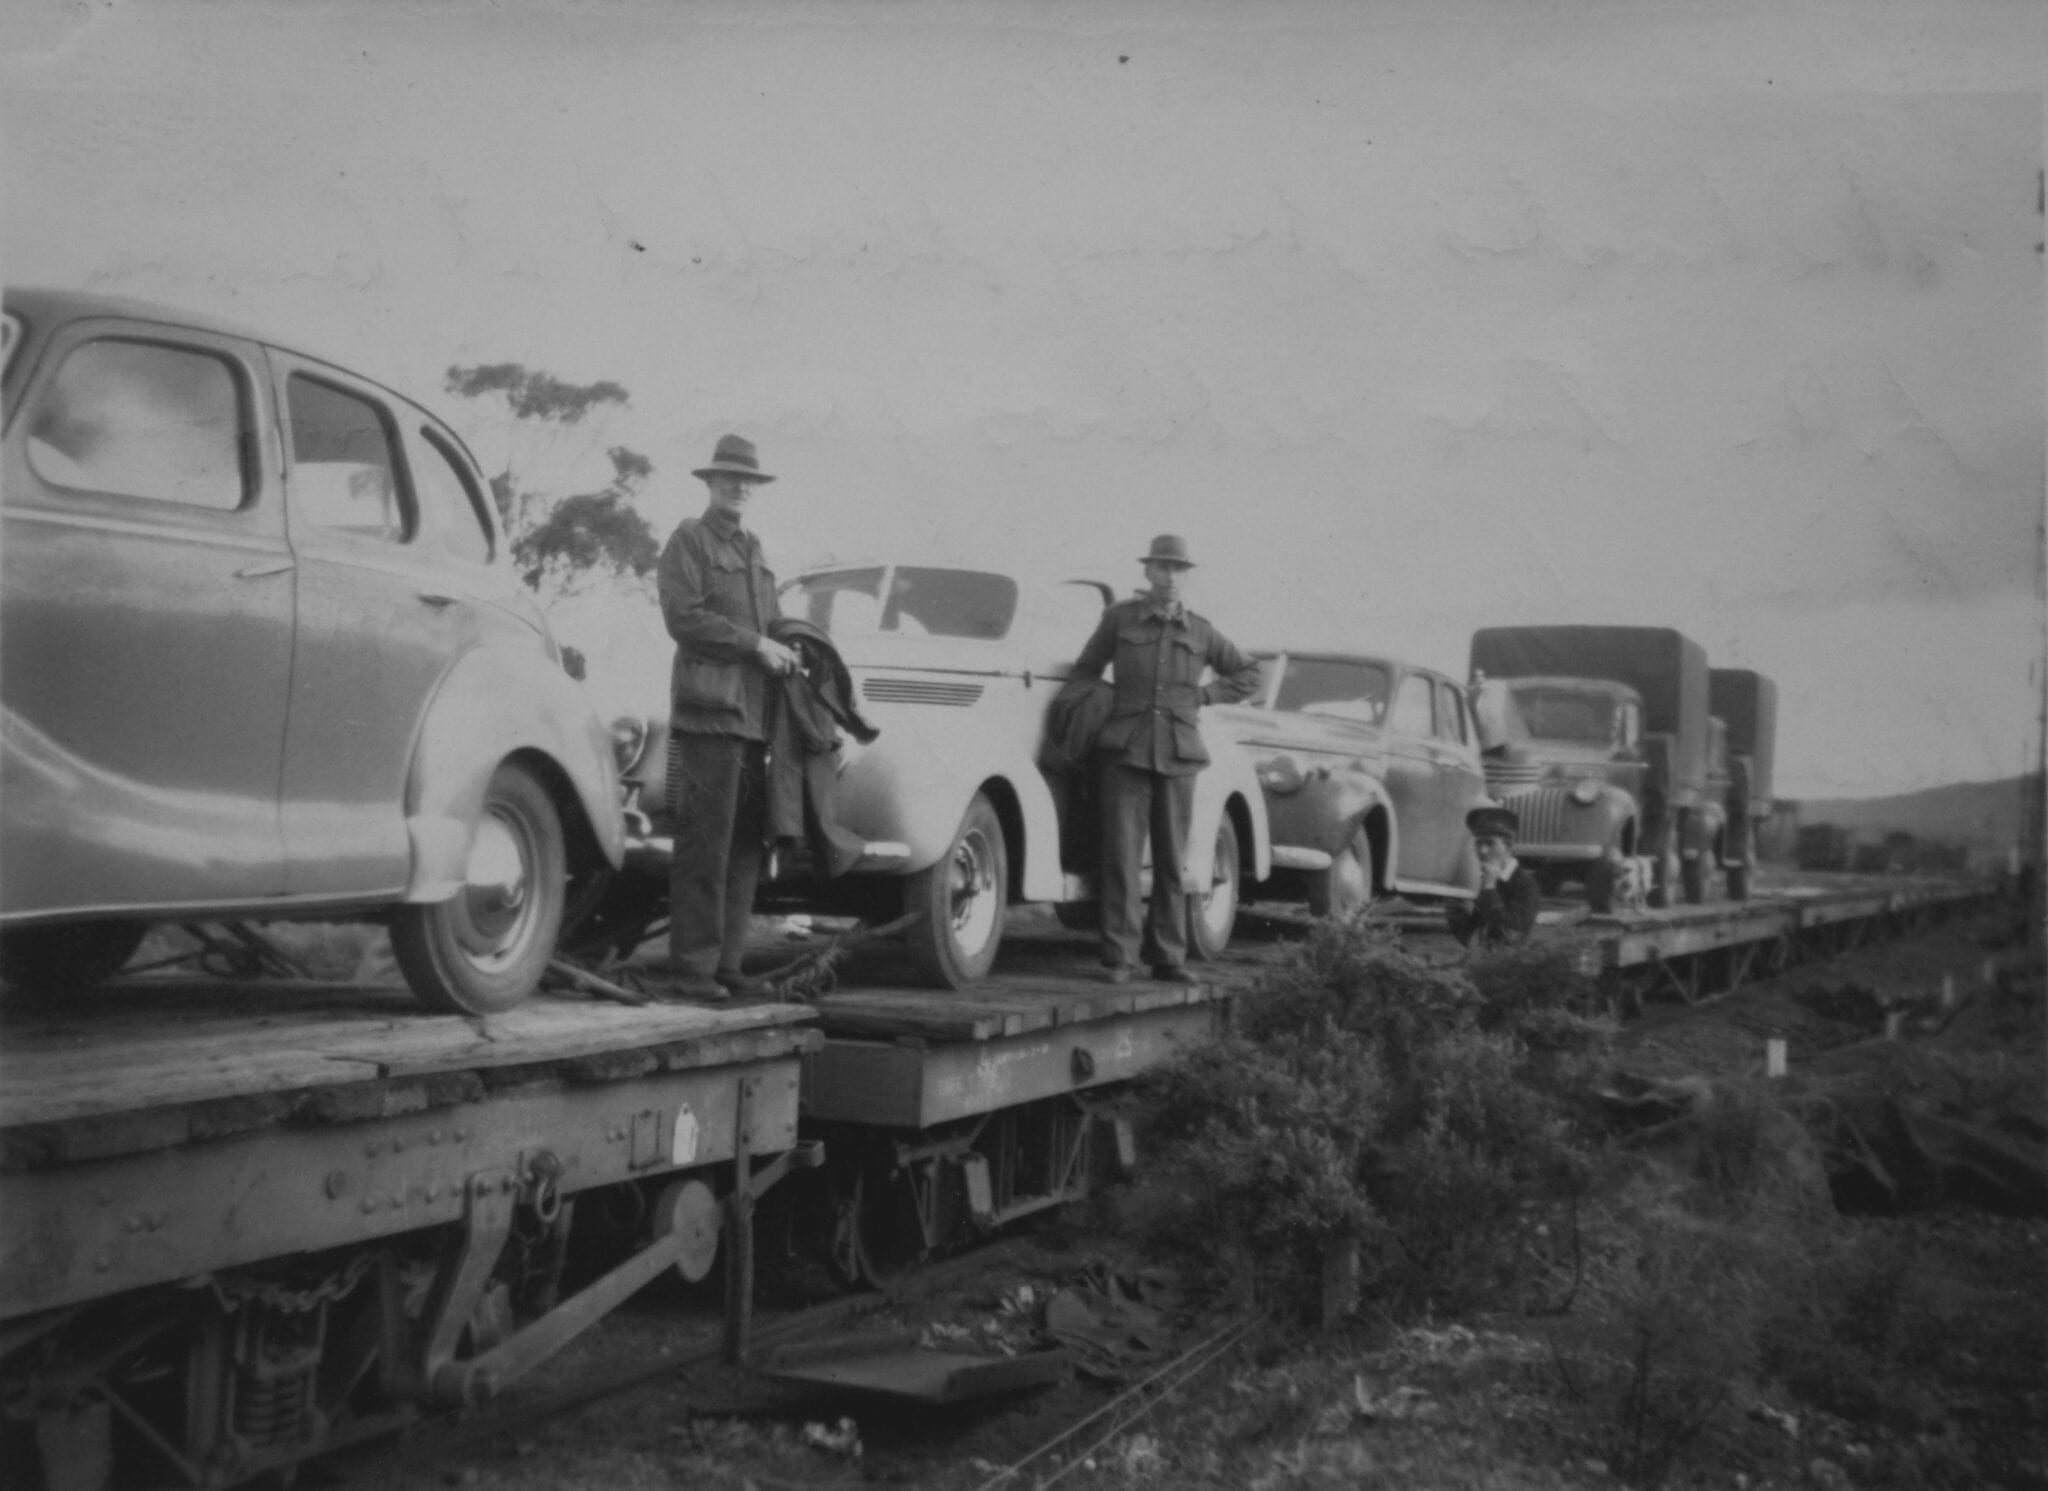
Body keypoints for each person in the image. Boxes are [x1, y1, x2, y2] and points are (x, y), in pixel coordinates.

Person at [1072, 535, 1261, 984]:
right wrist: (1102, 710)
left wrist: (1206, 695)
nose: (1170, 576)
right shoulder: (1118, 619)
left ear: (1186, 576)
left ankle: (1168, 958)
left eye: (1178, 569)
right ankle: (1120, 958)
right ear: (1148, 572)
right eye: (1162, 567)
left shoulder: (1201, 630)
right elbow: (1085, 671)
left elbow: (1250, 673)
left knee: (1172, 860)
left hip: (1178, 754)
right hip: (1123, 753)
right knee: (1120, 857)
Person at [657, 434, 800, 1000]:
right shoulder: (688, 539)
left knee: (744, 846)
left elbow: (775, 624)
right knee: (704, 844)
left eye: (748, 481)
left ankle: (727, 964)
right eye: (728, 479)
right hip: (709, 716)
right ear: (710, 484)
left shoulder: (755, 549)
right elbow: (683, 618)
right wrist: (754, 645)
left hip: (755, 719)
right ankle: (692, 971)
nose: (739, 487)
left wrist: (794, 645)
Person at [1446, 803, 1541, 948]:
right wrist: (1456, 915)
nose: (1483, 851)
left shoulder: (1526, 884)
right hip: (1484, 963)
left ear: (1509, 847)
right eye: (1478, 843)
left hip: (1513, 965)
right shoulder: (1487, 879)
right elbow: (1469, 939)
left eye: (1490, 844)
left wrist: (1489, 889)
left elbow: (1512, 934)